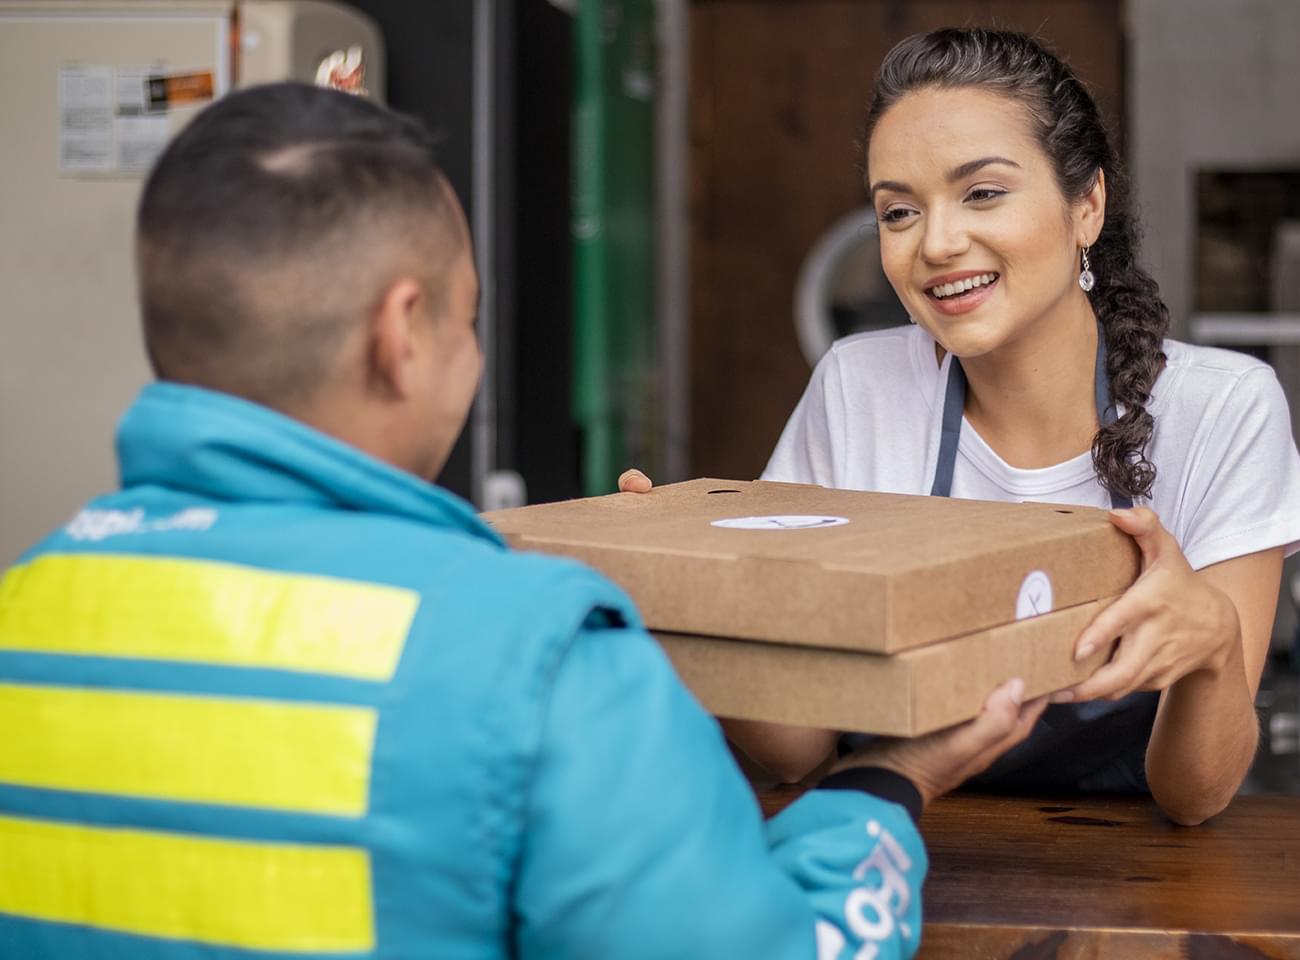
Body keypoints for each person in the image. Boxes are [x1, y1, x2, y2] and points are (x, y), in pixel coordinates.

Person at [0, 83, 1048, 959]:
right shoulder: (534, 656)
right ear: (402, 336)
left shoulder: (24, 611)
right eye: (470, 317)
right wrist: (887, 784)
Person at [623, 28, 1300, 826]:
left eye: (983, 193)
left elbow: (1196, 796)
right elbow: (799, 752)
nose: (938, 243)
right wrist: (682, 601)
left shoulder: (1223, 407)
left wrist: (1212, 647)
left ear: (1087, 206)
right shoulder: (858, 387)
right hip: (899, 846)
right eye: (898, 211)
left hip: (1132, 873)